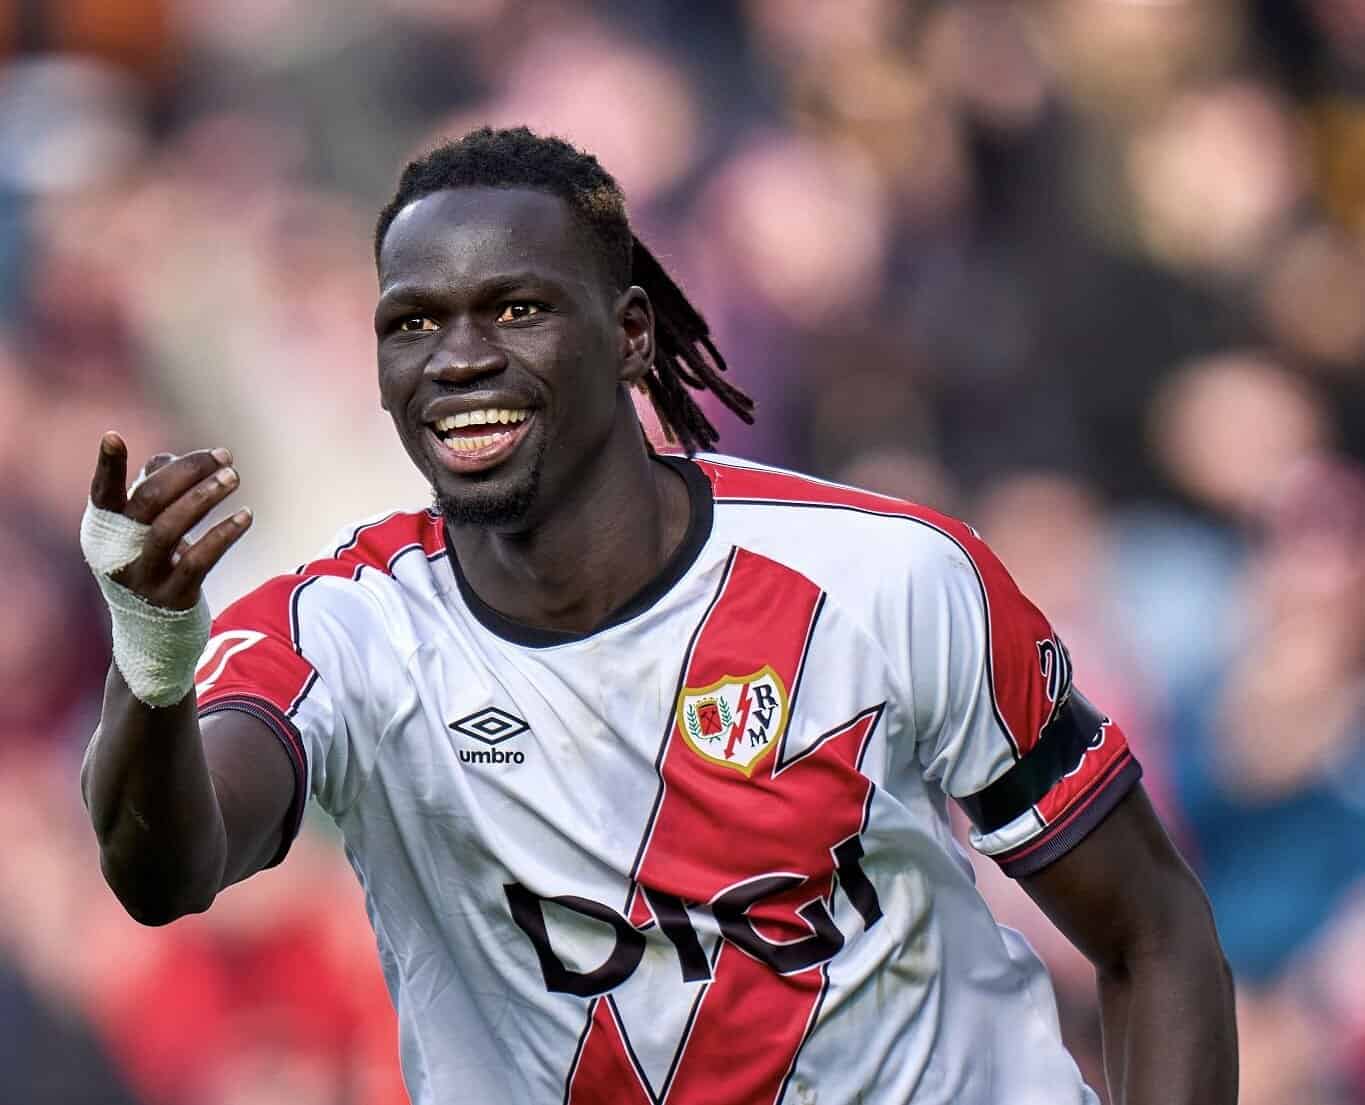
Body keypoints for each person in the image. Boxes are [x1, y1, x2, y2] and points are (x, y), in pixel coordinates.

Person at [80, 126, 1236, 1105]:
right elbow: (162, 870)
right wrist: (151, 652)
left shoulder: (886, 577)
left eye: (516, 308)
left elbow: (1155, 935)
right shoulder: (339, 634)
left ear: (631, 332)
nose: (460, 360)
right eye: (413, 324)